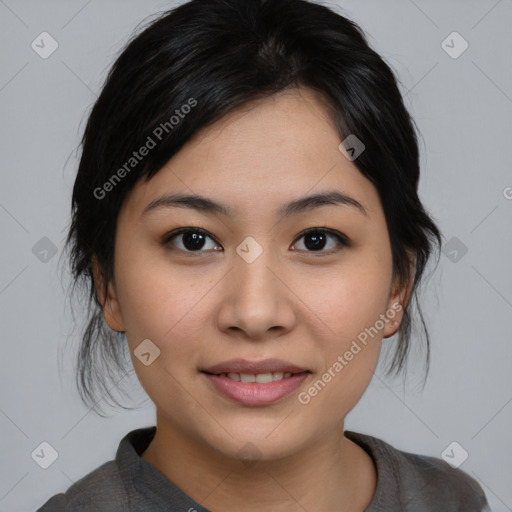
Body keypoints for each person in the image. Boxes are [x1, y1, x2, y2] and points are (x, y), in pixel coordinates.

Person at [37, 0, 492, 510]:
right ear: (108, 283)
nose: (255, 314)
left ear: (398, 285)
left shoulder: (454, 502)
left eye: (317, 239)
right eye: (193, 239)